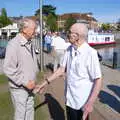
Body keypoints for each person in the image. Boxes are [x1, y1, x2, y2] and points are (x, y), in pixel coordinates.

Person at [36, 23, 102, 120]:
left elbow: (98, 80)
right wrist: (44, 83)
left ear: (77, 36)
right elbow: (61, 70)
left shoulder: (91, 53)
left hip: (82, 103)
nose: (67, 34)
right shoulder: (69, 49)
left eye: (70, 32)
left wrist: (90, 104)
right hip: (69, 99)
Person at [3, 18, 39, 120]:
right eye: (33, 29)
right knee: (20, 116)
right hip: (19, 89)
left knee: (29, 112)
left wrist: (34, 83)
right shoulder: (13, 44)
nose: (35, 31)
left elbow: (31, 65)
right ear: (24, 29)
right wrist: (24, 82)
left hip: (30, 87)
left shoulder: (29, 42)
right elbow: (8, 68)